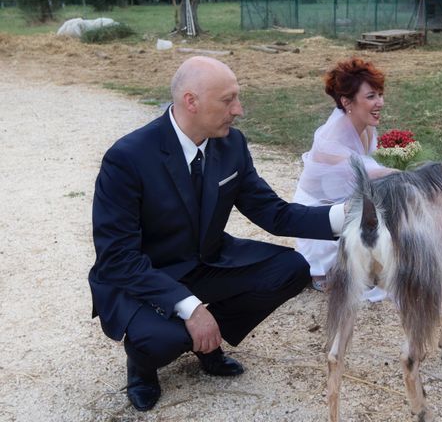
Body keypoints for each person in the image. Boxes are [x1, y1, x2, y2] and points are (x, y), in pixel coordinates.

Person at [89, 56, 345, 412]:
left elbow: (274, 213)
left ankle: (205, 342)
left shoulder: (231, 145)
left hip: (205, 260)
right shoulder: (127, 158)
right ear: (191, 101)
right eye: (228, 100)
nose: (238, 110)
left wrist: (347, 219)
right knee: (160, 341)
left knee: (291, 269)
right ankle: (143, 366)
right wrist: (191, 308)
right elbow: (117, 257)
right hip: (145, 276)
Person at [293, 57, 392, 299]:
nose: (379, 102)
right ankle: (320, 268)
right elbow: (369, 172)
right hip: (319, 215)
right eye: (371, 97)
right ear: (347, 102)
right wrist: (409, 174)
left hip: (344, 201)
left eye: (380, 94)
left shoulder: (365, 123)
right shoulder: (332, 137)